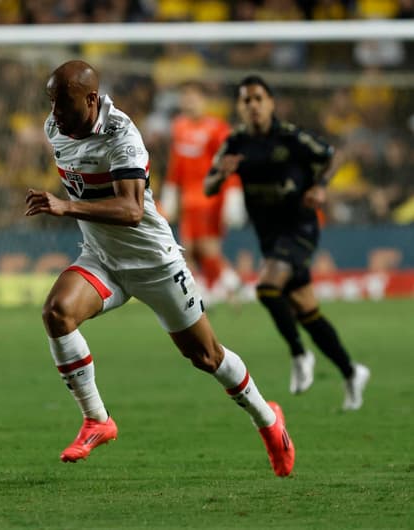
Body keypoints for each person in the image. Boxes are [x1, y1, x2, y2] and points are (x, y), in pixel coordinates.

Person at [25, 60, 294, 477]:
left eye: (63, 102)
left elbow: (132, 210)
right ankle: (98, 419)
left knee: (206, 356)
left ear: (92, 99)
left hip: (154, 262)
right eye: (51, 101)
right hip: (103, 259)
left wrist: (65, 206)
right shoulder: (55, 127)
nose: (54, 112)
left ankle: (268, 419)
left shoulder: (123, 137)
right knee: (56, 314)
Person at [204, 75, 369, 410]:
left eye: (258, 98)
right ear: (239, 106)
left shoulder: (291, 138)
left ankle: (299, 354)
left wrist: (321, 186)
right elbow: (208, 186)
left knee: (266, 288)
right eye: (245, 100)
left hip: (300, 227)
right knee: (306, 309)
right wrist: (222, 174)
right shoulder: (235, 142)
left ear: (271, 103)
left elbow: (331, 155)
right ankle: (352, 372)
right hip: (269, 235)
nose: (252, 105)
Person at [160, 80, 244, 304]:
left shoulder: (217, 128)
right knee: (192, 250)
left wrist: (233, 194)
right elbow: (176, 164)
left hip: (210, 196)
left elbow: (229, 163)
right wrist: (171, 190)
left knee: (203, 246)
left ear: (203, 101)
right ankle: (227, 282)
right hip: (188, 197)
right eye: (185, 97)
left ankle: (216, 286)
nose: (189, 102)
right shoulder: (178, 127)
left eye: (193, 97)